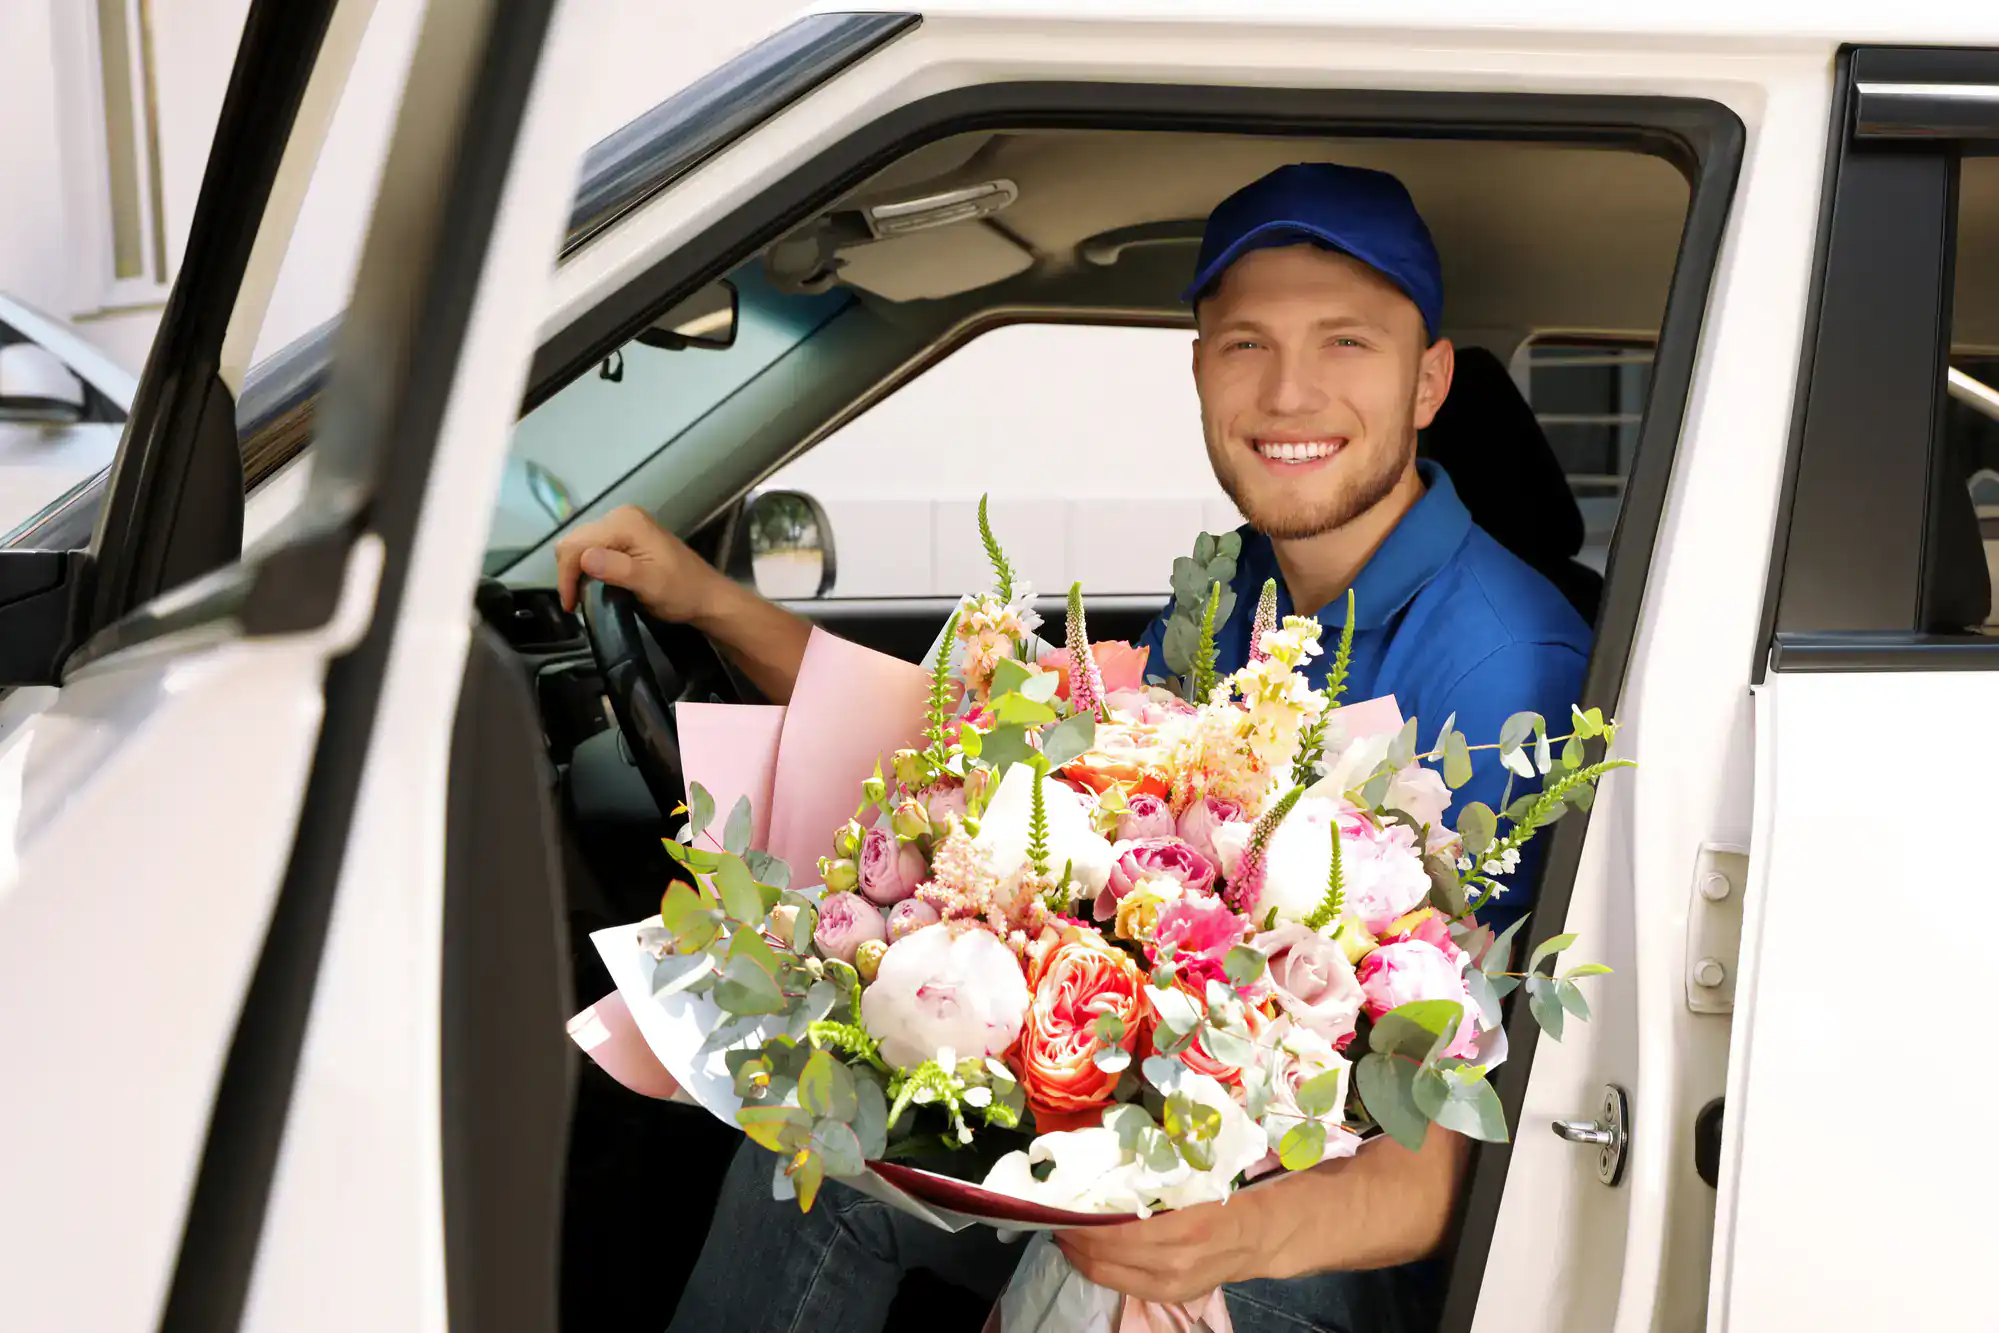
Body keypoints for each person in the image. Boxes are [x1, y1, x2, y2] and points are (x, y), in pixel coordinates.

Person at [556, 161, 1590, 1333]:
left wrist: (1207, 1236)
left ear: (1428, 382)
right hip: (1167, 1144)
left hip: (1333, 1241)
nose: (1290, 392)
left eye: (1346, 342)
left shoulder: (1507, 668)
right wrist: (710, 601)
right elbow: (1009, 761)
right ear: (1200, 372)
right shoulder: (1232, 591)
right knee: (815, 1158)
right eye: (1245, 345)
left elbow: (1432, 1167)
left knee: (1092, 1288)